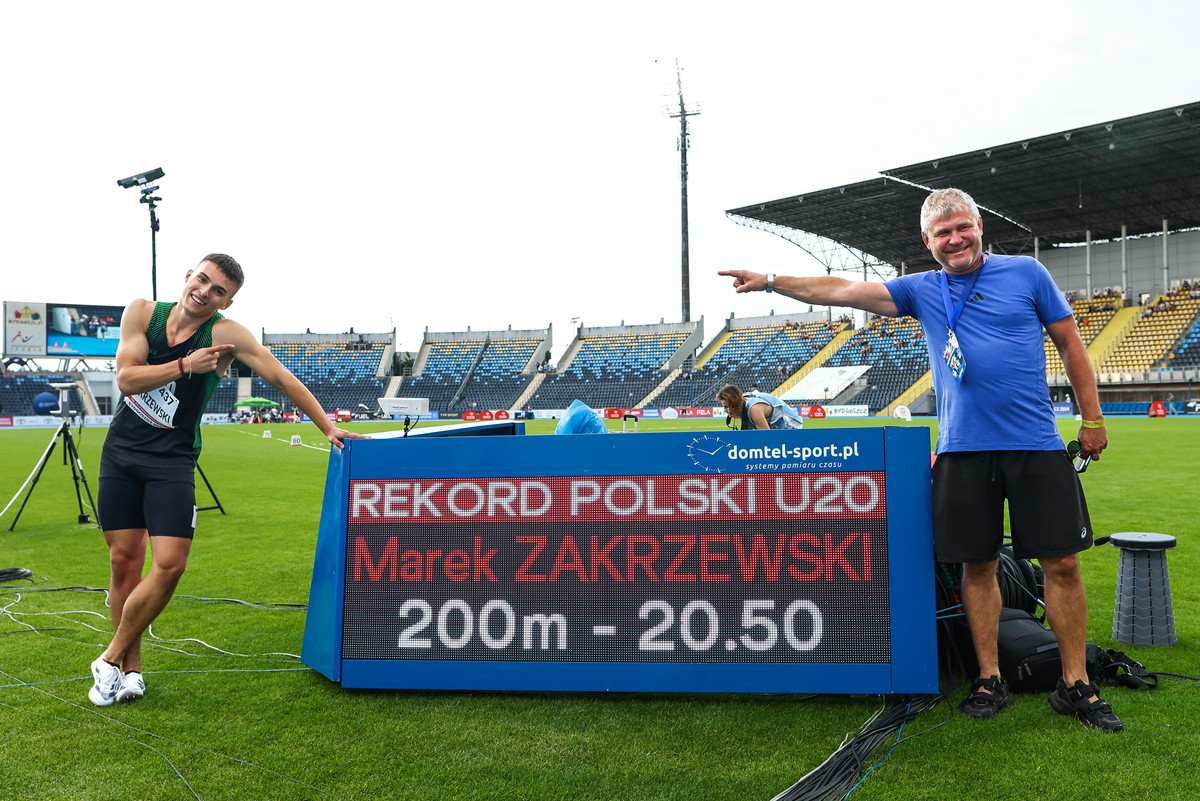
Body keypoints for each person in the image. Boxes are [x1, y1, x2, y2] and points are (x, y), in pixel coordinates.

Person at [719, 187, 1121, 732]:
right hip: (962, 450)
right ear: (927, 241)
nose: (955, 239)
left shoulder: (1027, 273)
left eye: (963, 227)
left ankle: (1076, 683)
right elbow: (841, 288)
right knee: (976, 565)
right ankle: (989, 678)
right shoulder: (921, 289)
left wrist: (1092, 418)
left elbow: (1071, 343)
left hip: (1036, 445)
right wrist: (770, 281)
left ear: (980, 226)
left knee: (1063, 564)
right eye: (942, 233)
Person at [89, 254, 365, 707]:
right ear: (188, 276)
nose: (204, 291)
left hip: (172, 462)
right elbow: (127, 379)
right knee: (124, 563)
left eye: (218, 290)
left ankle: (109, 657)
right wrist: (186, 366)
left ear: (227, 301)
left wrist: (327, 426)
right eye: (202, 279)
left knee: (170, 563)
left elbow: (279, 376)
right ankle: (129, 671)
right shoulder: (141, 312)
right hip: (120, 456)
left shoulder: (225, 335)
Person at [716, 384, 804, 430]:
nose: (729, 410)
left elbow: (765, 440)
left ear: (738, 403)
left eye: (732, 406)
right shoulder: (743, 405)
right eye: (725, 407)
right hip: (779, 429)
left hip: (792, 428)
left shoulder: (754, 410)